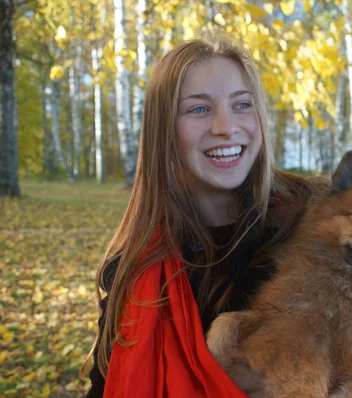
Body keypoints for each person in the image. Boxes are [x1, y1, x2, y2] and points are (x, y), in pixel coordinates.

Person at [83, 34, 326, 397]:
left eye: (242, 105)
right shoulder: (135, 272)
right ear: (164, 131)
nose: (226, 126)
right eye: (199, 109)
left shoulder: (321, 224)